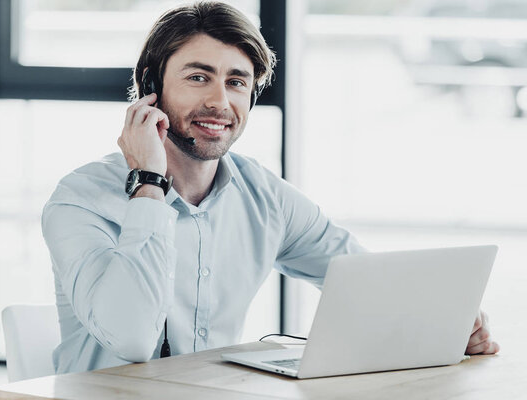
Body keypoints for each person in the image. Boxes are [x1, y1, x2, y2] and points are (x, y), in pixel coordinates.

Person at [41, 1, 499, 374]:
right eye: (198, 77)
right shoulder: (80, 200)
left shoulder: (263, 196)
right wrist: (149, 183)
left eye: (236, 82)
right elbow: (133, 337)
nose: (220, 102)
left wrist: (445, 321)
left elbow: (363, 277)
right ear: (150, 86)